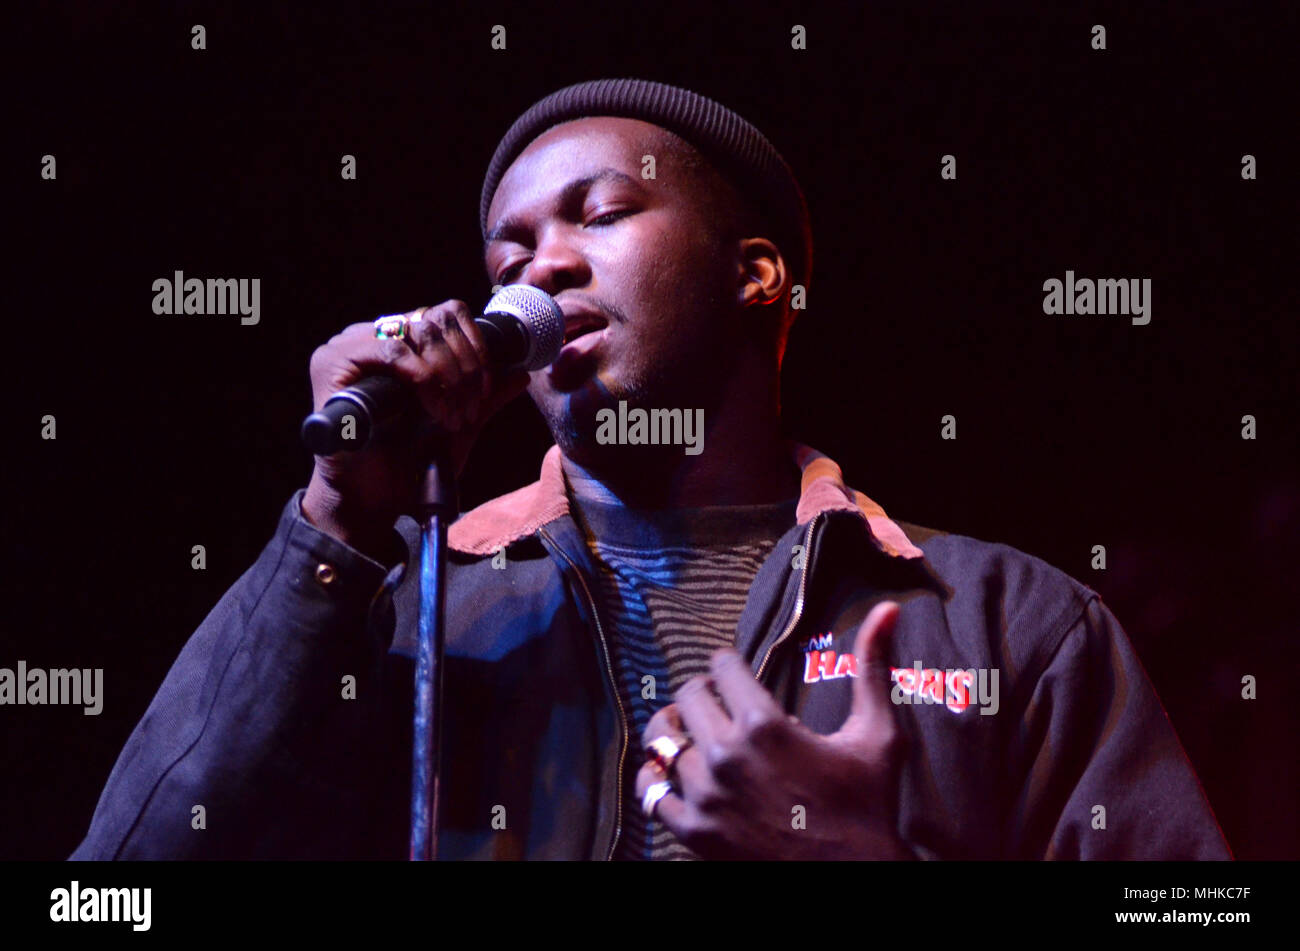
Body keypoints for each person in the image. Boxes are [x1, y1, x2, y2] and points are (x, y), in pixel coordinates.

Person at [71, 78, 1231, 860]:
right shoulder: (402, 603)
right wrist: (333, 524)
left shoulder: (1006, 620)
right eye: (510, 250)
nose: (543, 266)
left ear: (756, 275)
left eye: (602, 213)